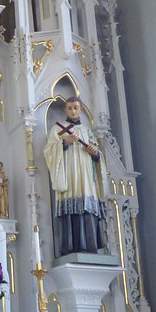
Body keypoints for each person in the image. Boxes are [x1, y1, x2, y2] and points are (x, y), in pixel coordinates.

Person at [43, 95, 107, 257]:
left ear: (81, 109)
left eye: (76, 107)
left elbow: (98, 155)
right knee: (71, 204)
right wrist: (65, 142)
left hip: (86, 177)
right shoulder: (58, 129)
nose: (73, 111)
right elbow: (49, 151)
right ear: (66, 109)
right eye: (70, 108)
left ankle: (90, 246)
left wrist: (95, 154)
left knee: (87, 204)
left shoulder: (86, 131)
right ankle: (71, 247)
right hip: (70, 177)